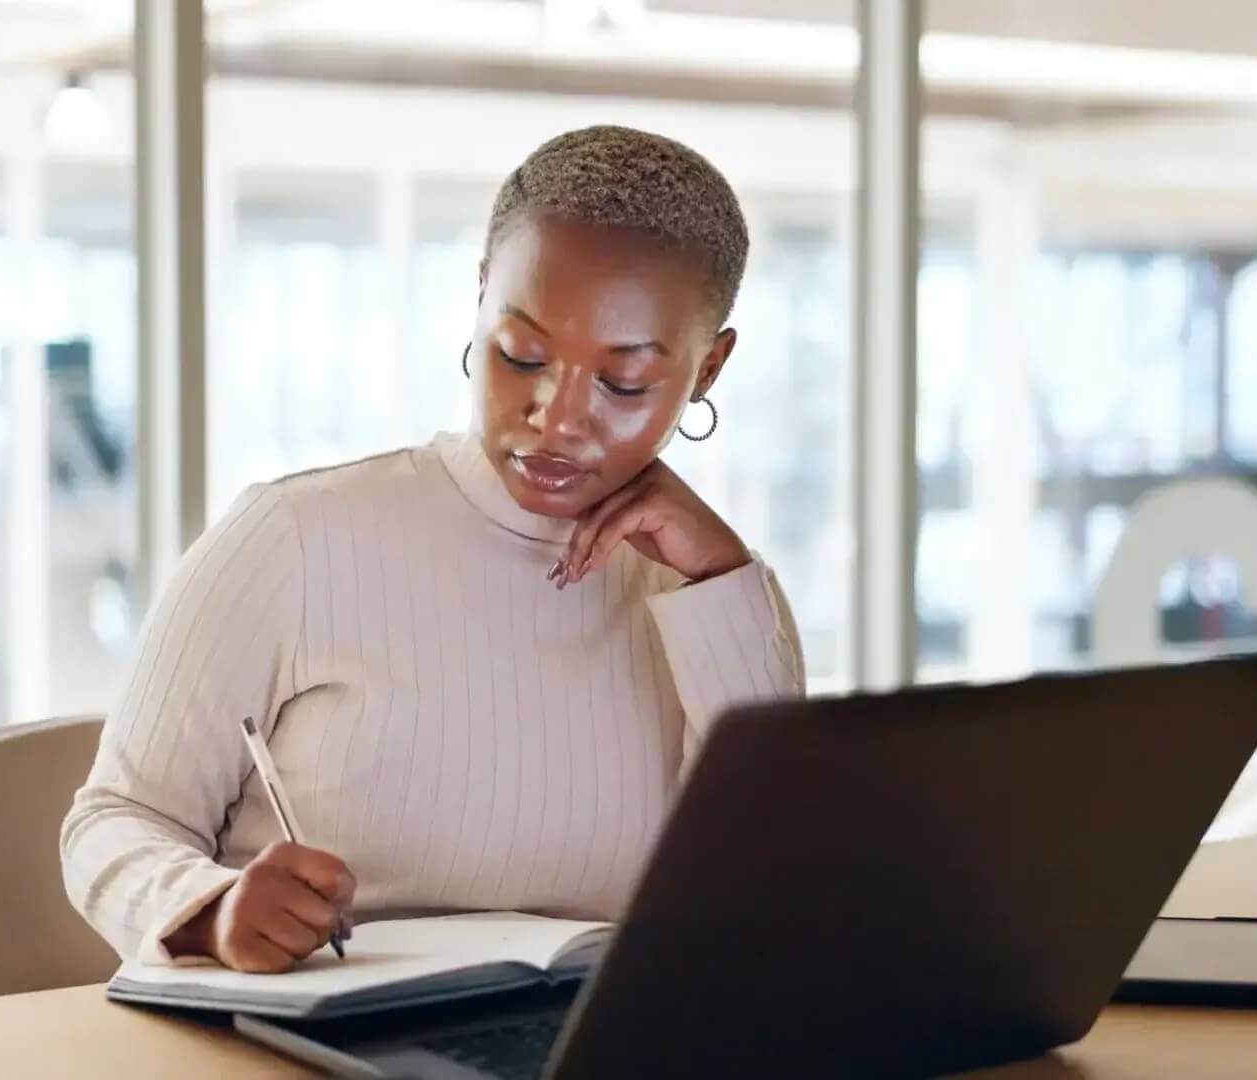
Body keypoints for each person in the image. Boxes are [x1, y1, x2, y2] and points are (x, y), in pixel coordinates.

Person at [62, 125, 805, 974]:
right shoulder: (293, 539)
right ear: (481, 297)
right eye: (522, 354)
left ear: (708, 369)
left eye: (623, 382)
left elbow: (771, 897)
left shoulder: (711, 594)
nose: (558, 417)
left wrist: (720, 580)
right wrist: (209, 910)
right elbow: (112, 819)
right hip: (308, 1040)